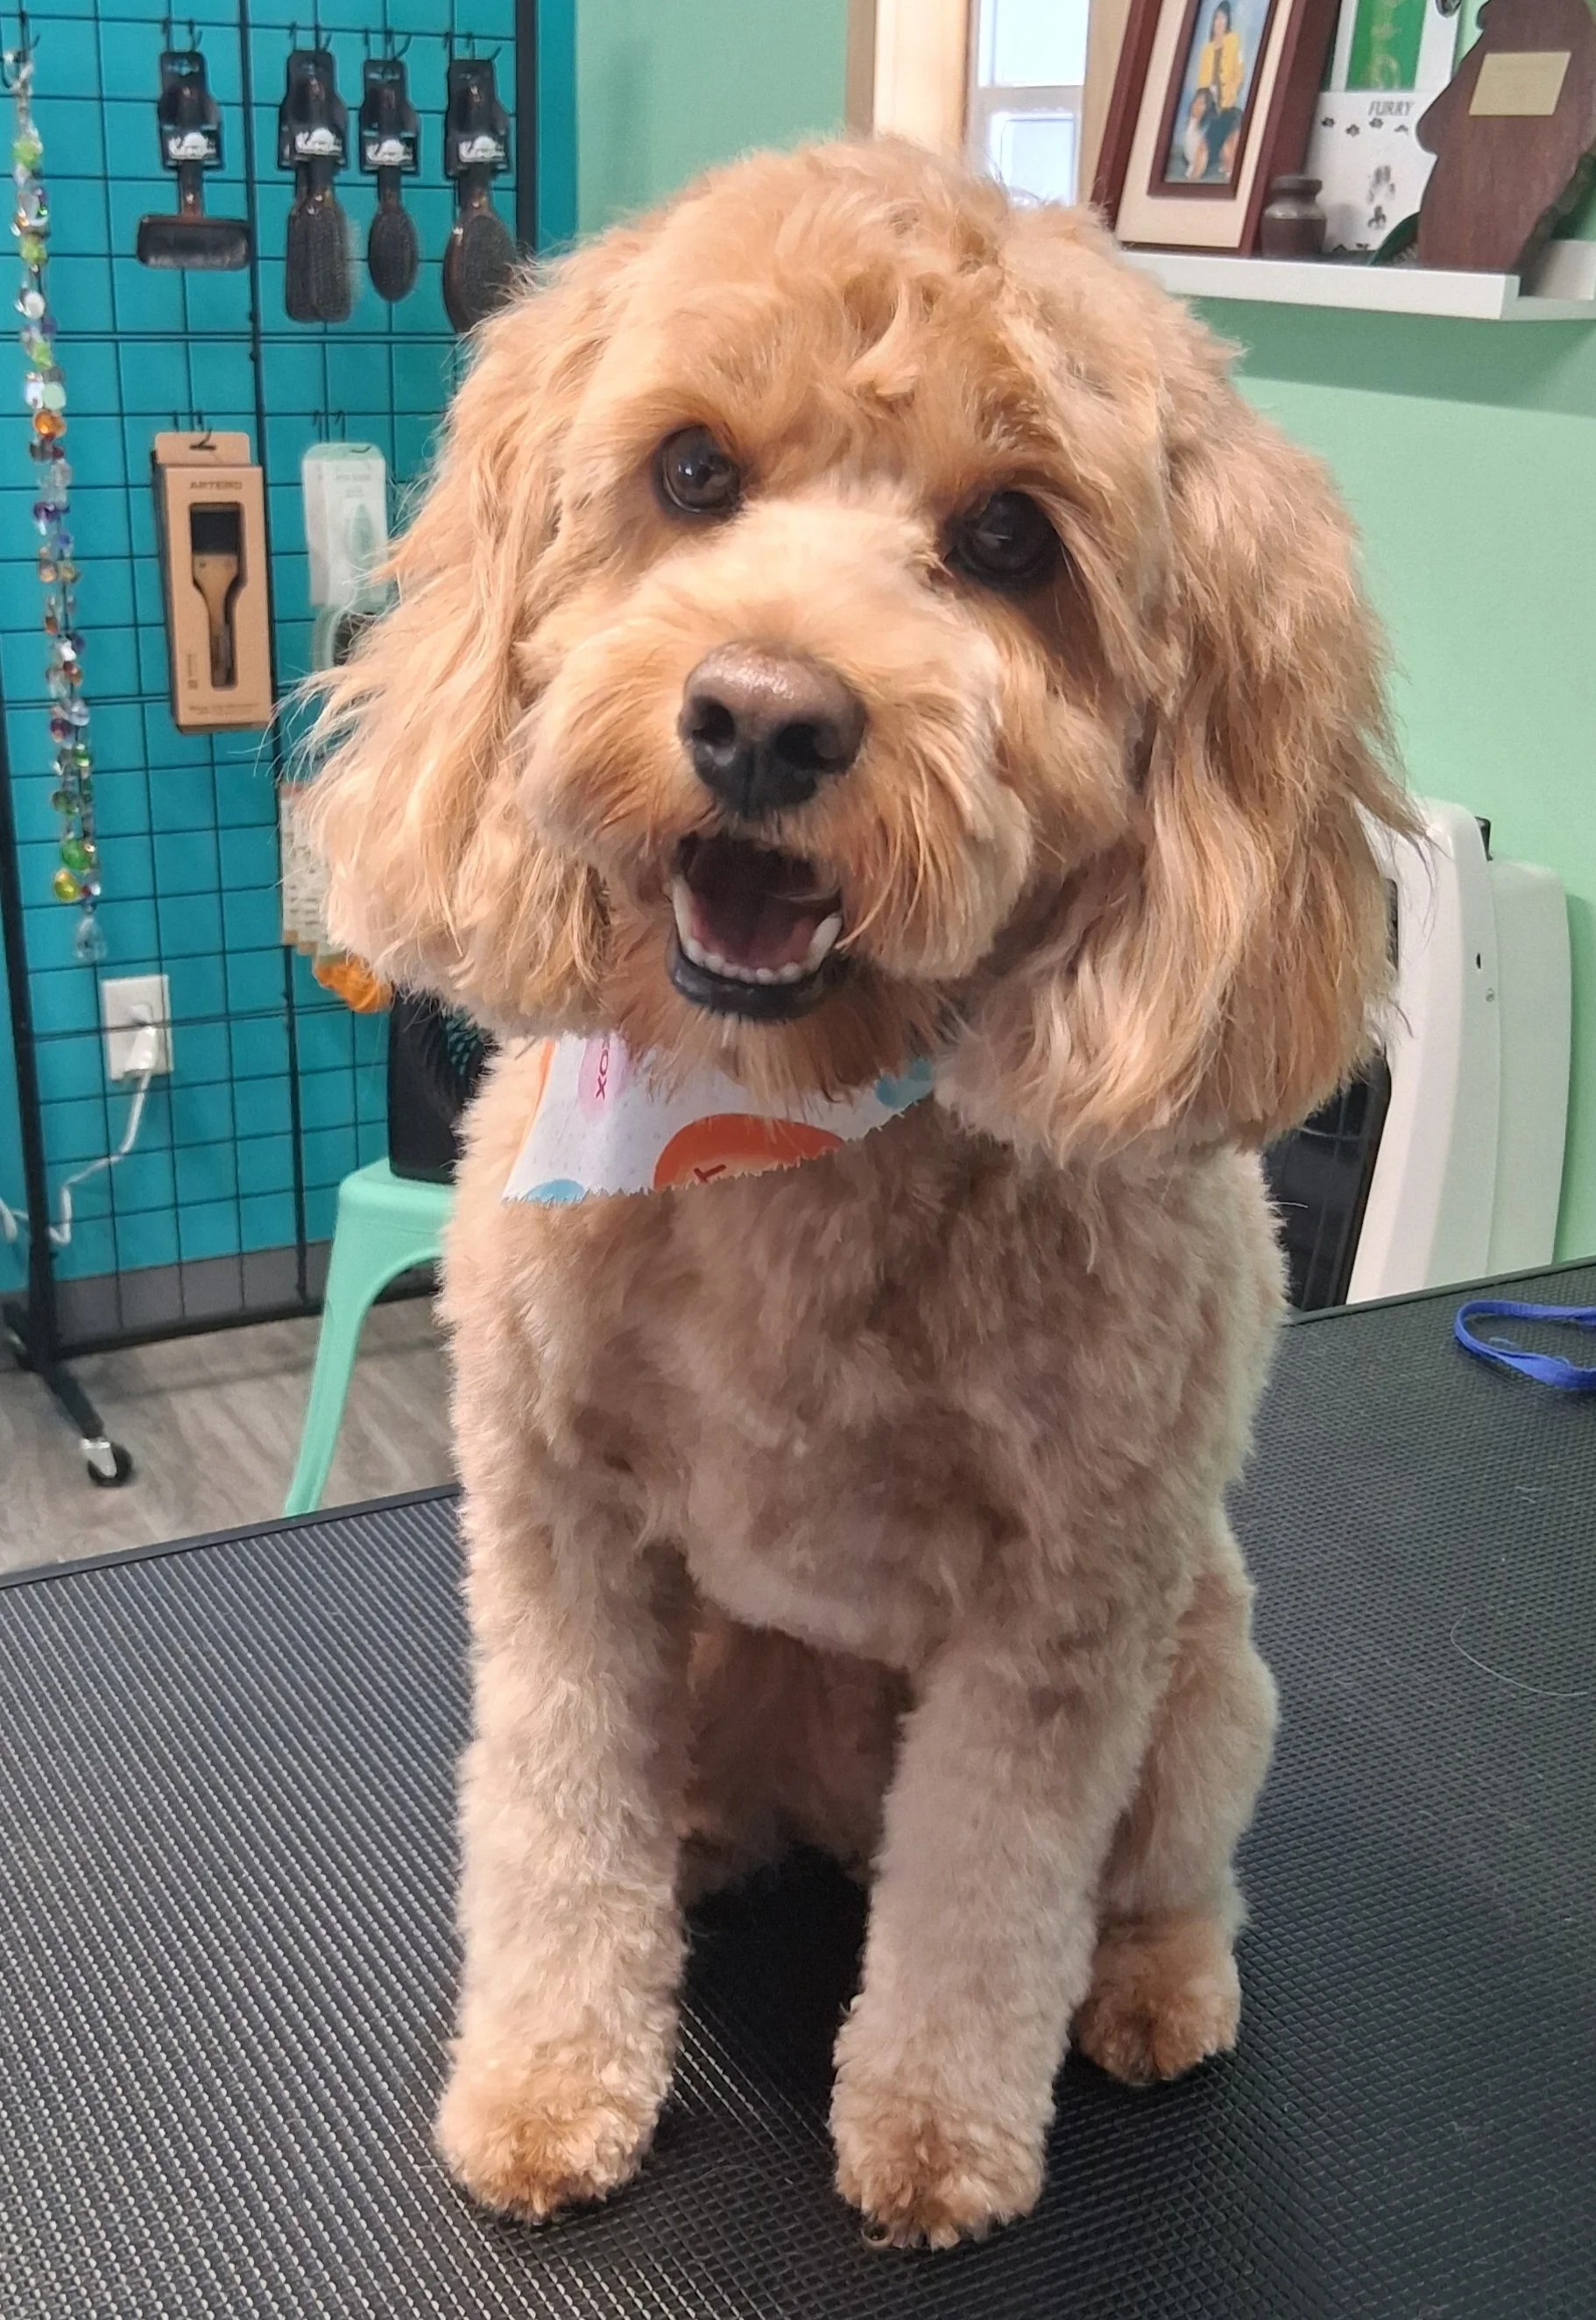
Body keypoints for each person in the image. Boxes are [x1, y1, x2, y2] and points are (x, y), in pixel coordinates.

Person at [1194, 3, 1245, 180]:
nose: (1219, 22)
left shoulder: (1234, 40)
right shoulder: (1207, 49)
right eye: (1217, 18)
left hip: (1228, 103)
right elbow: (1202, 80)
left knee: (1230, 129)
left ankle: (1227, 163)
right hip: (1210, 103)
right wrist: (1206, 96)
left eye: (1223, 18)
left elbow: (1239, 72)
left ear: (1227, 20)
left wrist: (1230, 92)